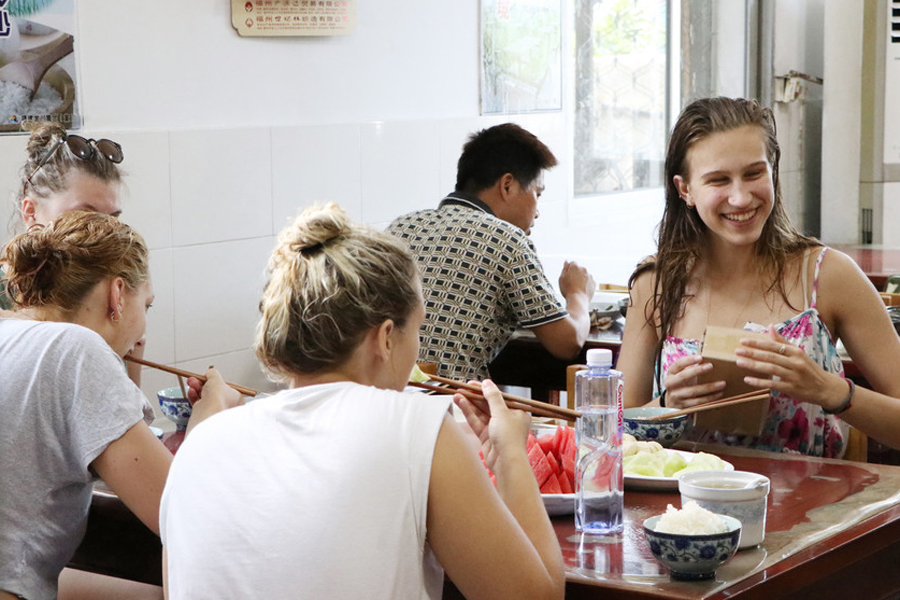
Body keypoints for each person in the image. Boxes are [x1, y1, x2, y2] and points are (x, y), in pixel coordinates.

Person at [160, 204, 564, 600]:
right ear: (386, 338)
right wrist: (511, 455)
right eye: (417, 330)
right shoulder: (415, 428)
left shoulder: (202, 442)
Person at [617, 96, 900, 457]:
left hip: (815, 508)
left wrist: (832, 391)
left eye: (754, 173)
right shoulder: (655, 284)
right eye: (719, 180)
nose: (741, 197)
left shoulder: (828, 275)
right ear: (685, 189)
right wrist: (668, 403)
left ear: (773, 171)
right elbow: (616, 434)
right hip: (683, 512)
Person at [0, 211, 242, 600]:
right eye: (147, 305)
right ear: (117, 295)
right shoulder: (76, 349)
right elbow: (184, 513)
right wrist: (210, 414)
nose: (144, 324)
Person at [387, 123, 595, 381]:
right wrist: (578, 294)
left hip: (387, 395)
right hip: (455, 405)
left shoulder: (400, 227)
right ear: (507, 185)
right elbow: (567, 341)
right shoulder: (508, 239)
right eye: (537, 195)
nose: (538, 211)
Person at [0, 121, 148, 386]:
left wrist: (128, 354)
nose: (104, 231)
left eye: (113, 218)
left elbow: (124, 410)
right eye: (84, 215)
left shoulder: (111, 287)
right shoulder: (5, 297)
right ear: (30, 212)